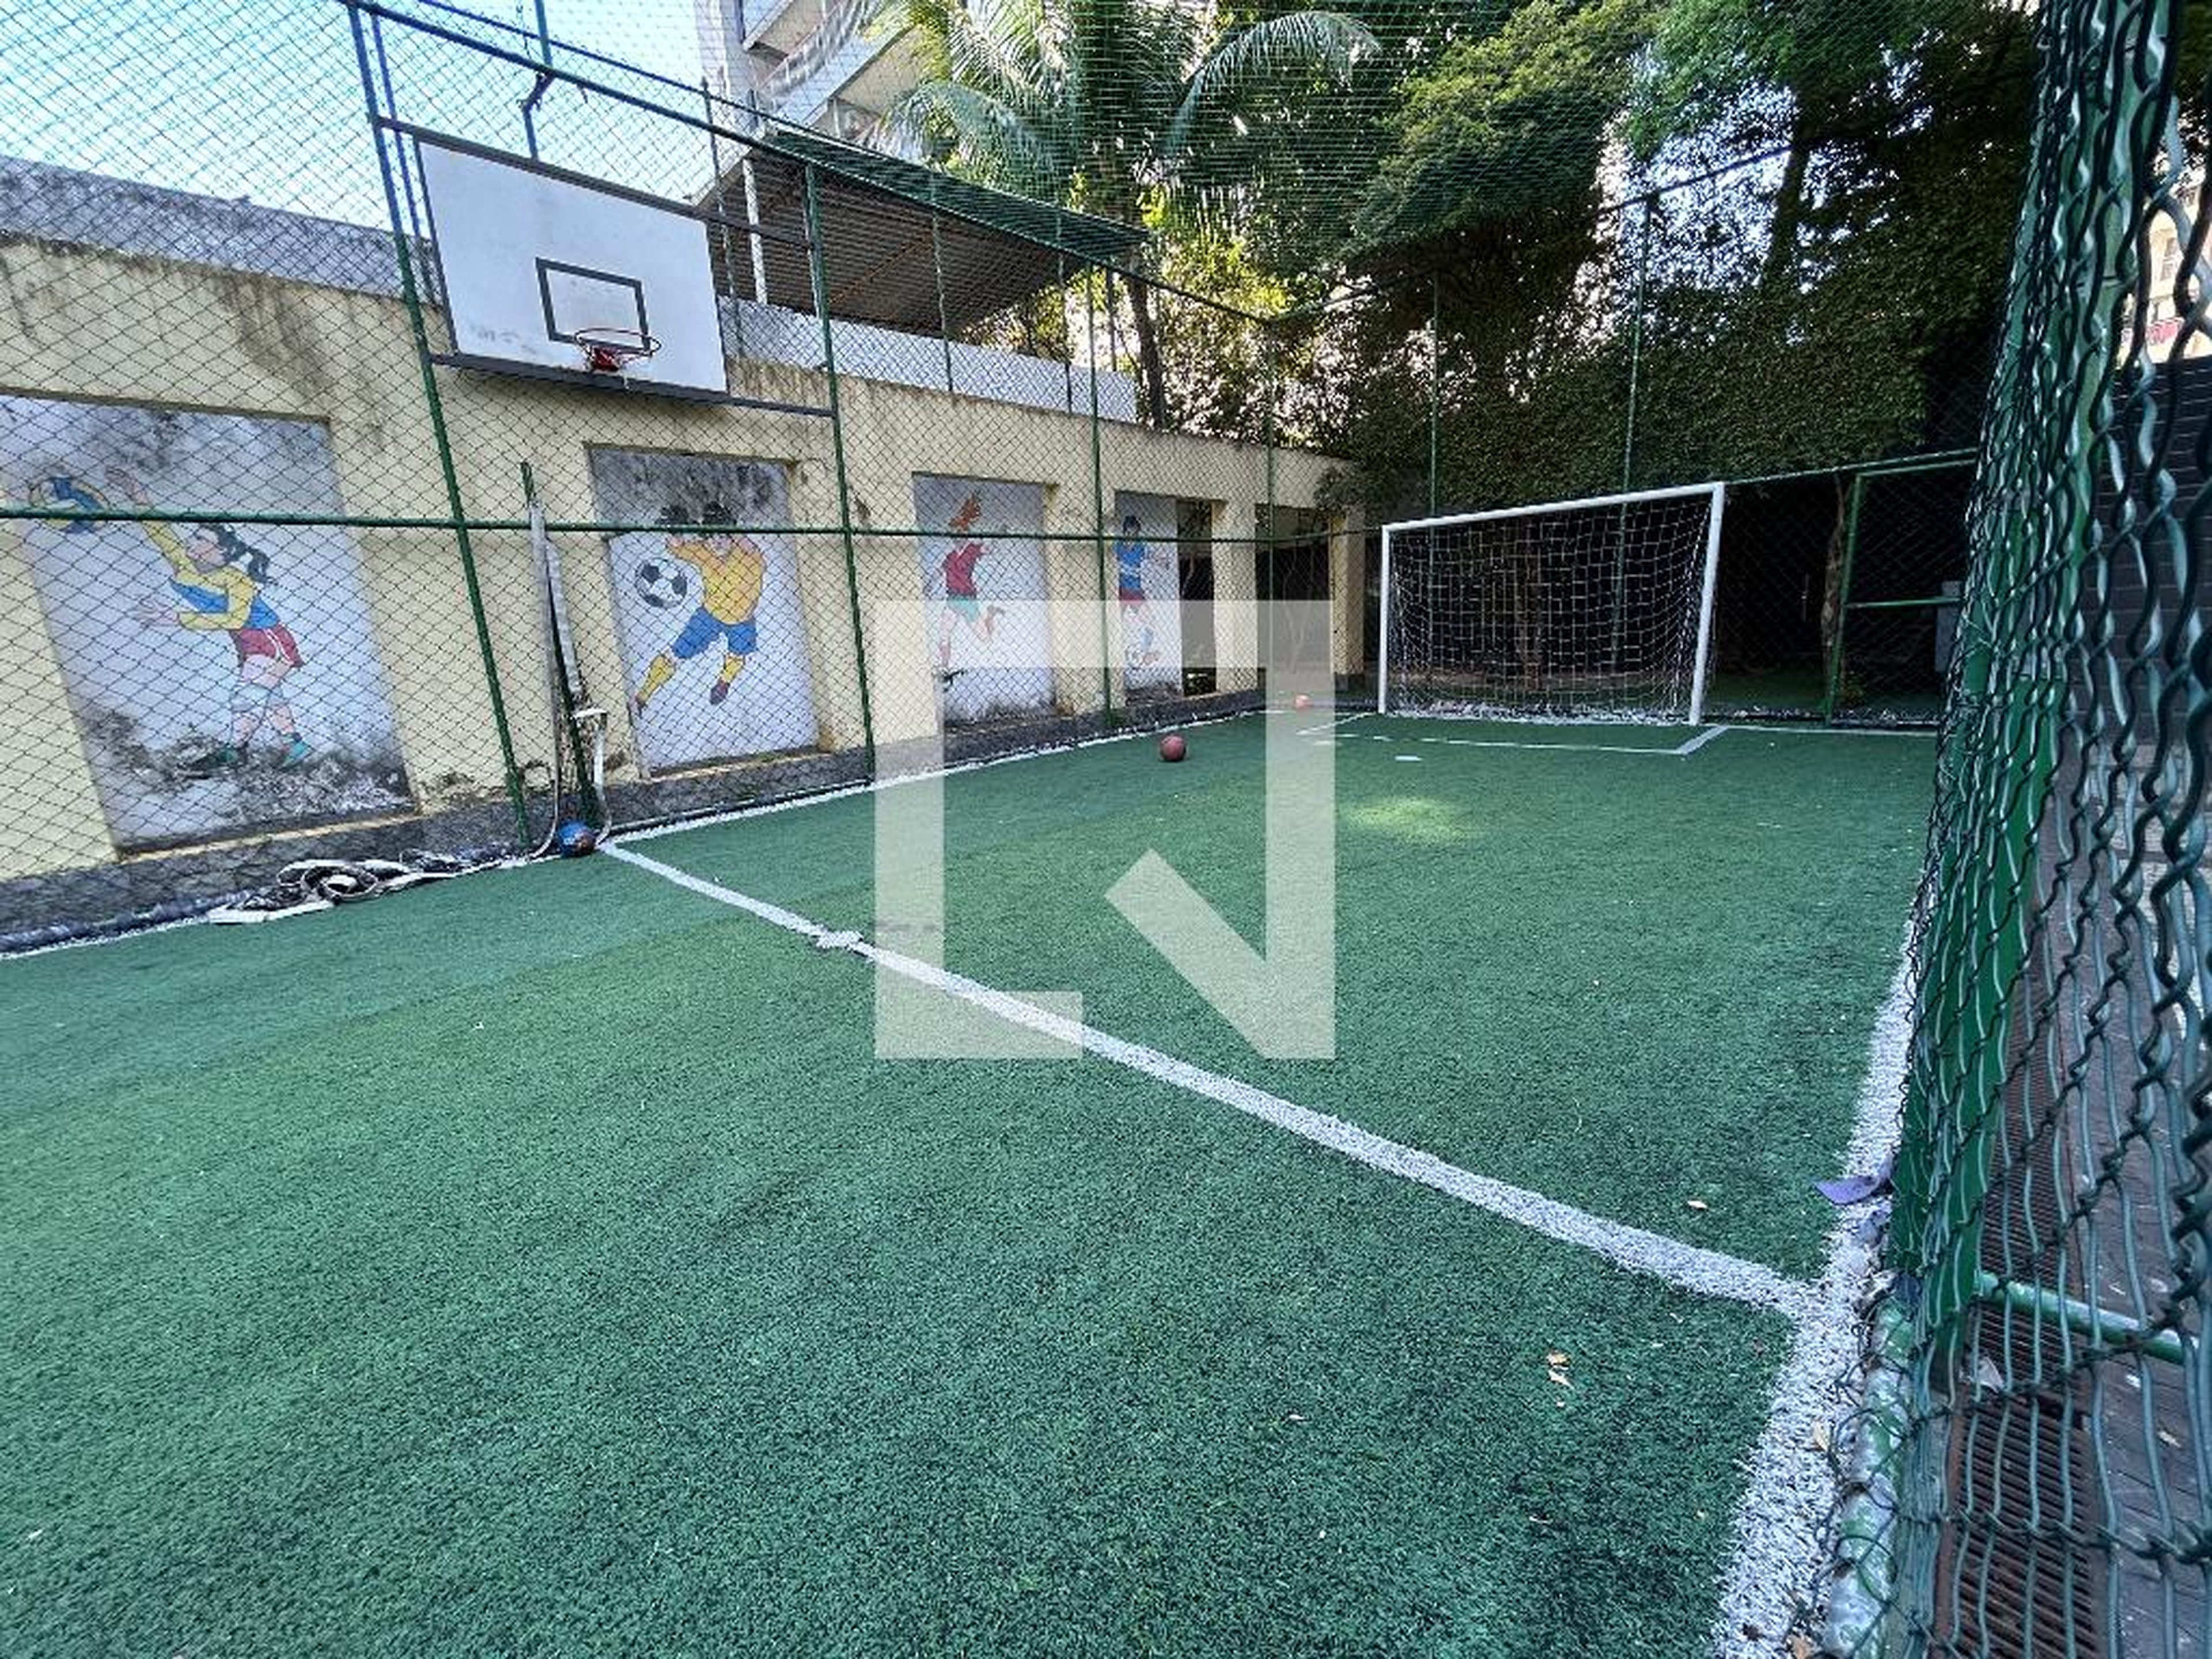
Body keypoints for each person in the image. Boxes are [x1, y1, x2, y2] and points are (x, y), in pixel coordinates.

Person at [112, 468, 309, 770]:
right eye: (193, 536)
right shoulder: (183, 563)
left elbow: (235, 618)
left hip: (269, 638)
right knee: (268, 693)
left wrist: (177, 618)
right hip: (245, 642)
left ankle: (235, 752)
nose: (191, 541)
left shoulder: (236, 580)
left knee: (249, 693)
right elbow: (159, 530)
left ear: (220, 551)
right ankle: (295, 745)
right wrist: (137, 495)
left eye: (200, 539)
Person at [632, 503, 768, 714]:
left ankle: (724, 682)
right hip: (711, 614)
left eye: (723, 536)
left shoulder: (749, 556)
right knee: (677, 652)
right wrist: (676, 531)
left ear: (732, 537)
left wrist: (732, 528)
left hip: (742, 619)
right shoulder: (704, 551)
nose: (718, 542)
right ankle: (643, 696)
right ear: (706, 539)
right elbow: (677, 547)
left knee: (738, 653)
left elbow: (749, 545)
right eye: (712, 537)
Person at [936, 492, 1005, 672]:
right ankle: (945, 667)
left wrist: (998, 536)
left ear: (965, 535)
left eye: (960, 534)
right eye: (954, 534)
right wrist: (929, 584)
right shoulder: (950, 556)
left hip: (967, 600)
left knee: (985, 639)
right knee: (944, 635)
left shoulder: (972, 550)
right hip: (952, 599)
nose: (956, 537)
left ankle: (990, 614)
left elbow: (987, 549)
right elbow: (941, 570)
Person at [1112, 513, 1162, 667]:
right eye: (1129, 532)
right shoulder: (1117, 545)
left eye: (1135, 533)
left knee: (1151, 621)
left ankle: (1145, 652)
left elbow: (1152, 556)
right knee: (1115, 623)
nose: (1132, 536)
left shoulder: (1140, 546)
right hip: (1120, 591)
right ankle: (1117, 652)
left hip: (1135, 592)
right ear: (1125, 531)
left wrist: (1162, 561)